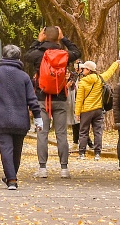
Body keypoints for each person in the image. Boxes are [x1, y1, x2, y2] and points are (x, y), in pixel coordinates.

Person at [0, 45, 43, 190]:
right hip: (20, 119)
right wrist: (38, 118)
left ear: (4, 56)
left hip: (0, 118)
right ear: (18, 57)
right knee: (17, 149)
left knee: (6, 149)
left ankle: (12, 179)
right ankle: (11, 176)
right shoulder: (24, 76)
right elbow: (32, 99)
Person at [24, 25, 82, 178]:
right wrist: (64, 39)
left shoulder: (38, 54)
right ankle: (64, 169)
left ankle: (42, 168)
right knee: (61, 134)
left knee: (42, 133)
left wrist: (38, 40)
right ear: (58, 37)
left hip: (42, 98)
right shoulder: (65, 54)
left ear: (44, 35)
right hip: (60, 97)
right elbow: (77, 52)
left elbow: (27, 55)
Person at [74, 58, 119, 161]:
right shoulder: (100, 78)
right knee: (97, 132)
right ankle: (97, 153)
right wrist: (116, 63)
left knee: (83, 132)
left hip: (86, 110)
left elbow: (79, 99)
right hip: (98, 110)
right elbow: (109, 72)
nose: (82, 70)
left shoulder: (83, 82)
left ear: (88, 70)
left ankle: (82, 153)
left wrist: (77, 113)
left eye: (84, 69)